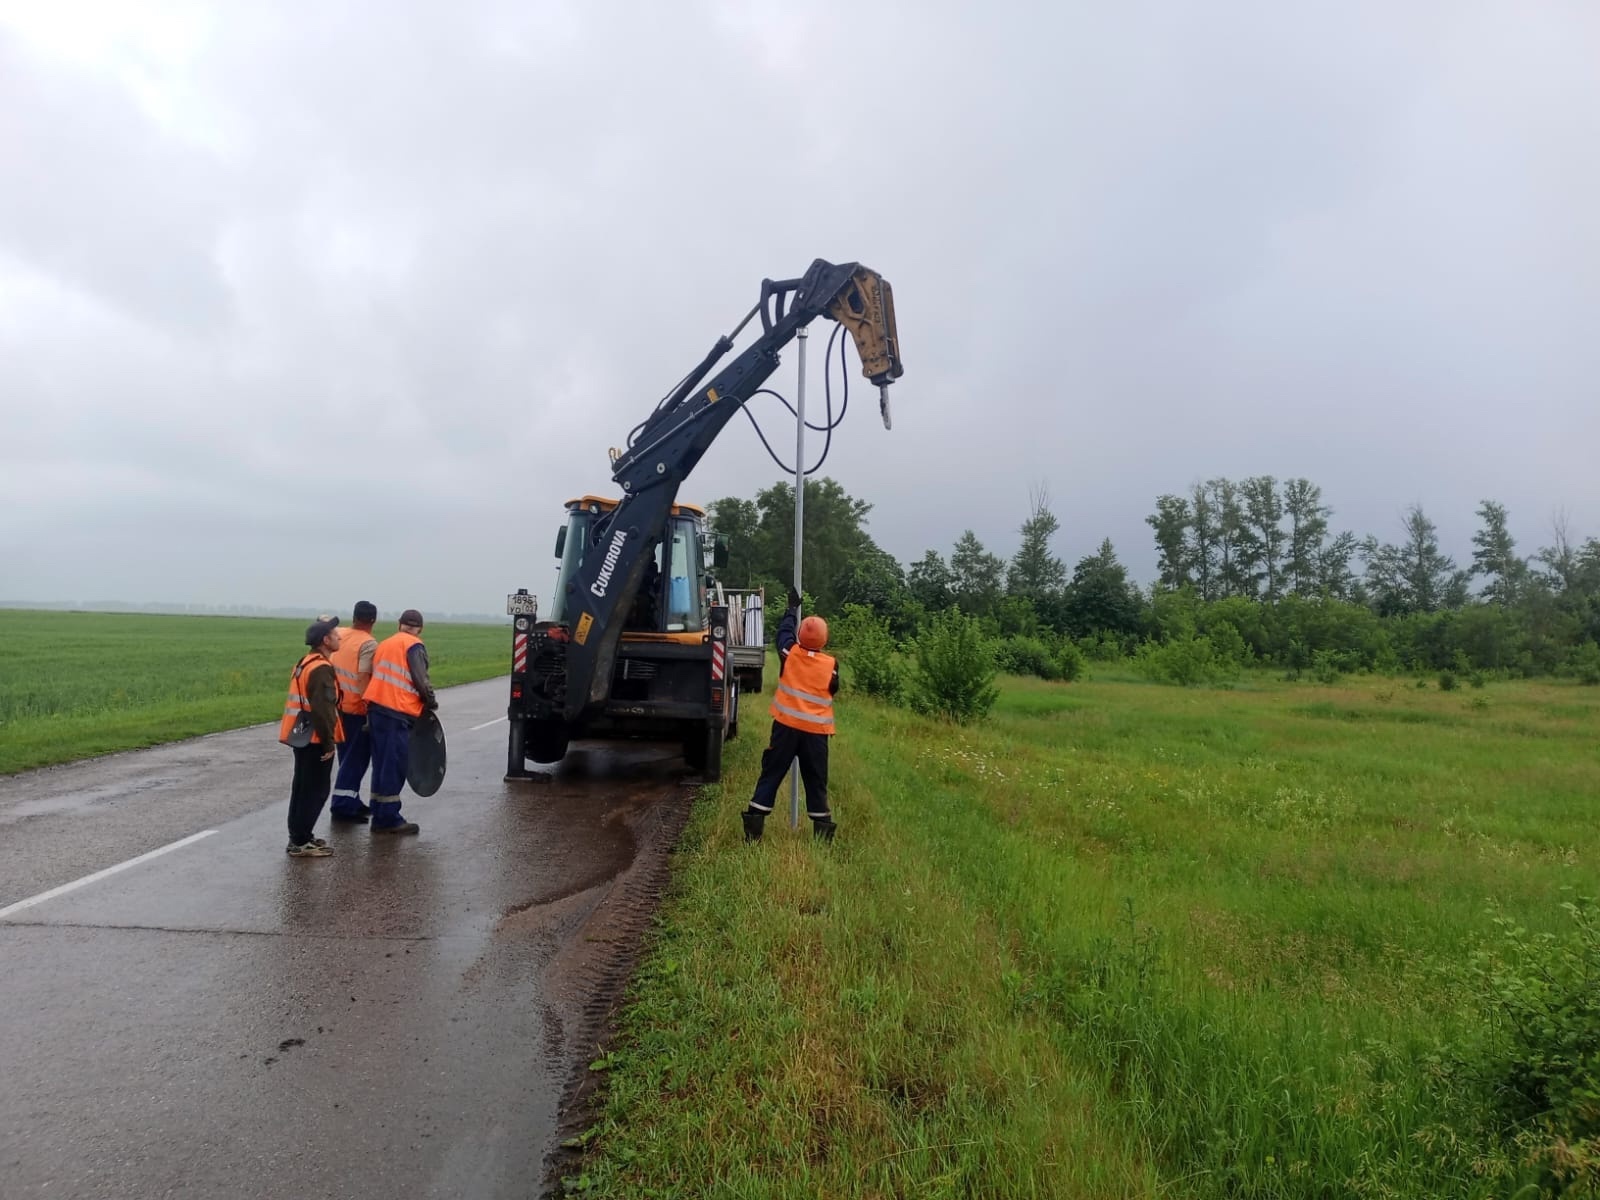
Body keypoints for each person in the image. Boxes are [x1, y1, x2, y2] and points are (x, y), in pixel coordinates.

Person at [740, 586, 839, 843]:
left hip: (785, 728)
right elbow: (833, 689)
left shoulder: (790, 654)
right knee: (816, 782)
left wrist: (791, 610)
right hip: (816, 736)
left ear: (800, 635)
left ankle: (753, 831)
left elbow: (783, 634)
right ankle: (822, 838)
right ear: (825, 639)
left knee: (771, 774)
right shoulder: (831, 665)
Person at [360, 608, 437, 835]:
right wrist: (430, 701)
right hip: (397, 711)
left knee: (381, 764)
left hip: (376, 709)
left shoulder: (385, 644)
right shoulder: (414, 645)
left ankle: (379, 811)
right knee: (394, 766)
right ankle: (389, 818)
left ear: (399, 624)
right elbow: (420, 679)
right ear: (420, 628)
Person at [280, 615, 344, 858]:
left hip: (301, 735)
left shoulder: (305, 662)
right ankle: (300, 841)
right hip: (315, 739)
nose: (339, 638)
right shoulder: (321, 668)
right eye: (336, 635)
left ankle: (300, 836)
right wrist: (329, 743)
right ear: (326, 640)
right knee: (315, 790)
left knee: (302, 788)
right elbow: (323, 709)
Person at [328, 600, 380, 822]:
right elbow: (362, 675)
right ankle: (342, 806)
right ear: (373, 621)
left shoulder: (339, 634)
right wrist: (369, 705)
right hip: (356, 708)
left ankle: (352, 798)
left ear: (354, 616)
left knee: (345, 755)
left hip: (336, 705)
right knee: (356, 758)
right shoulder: (368, 644)